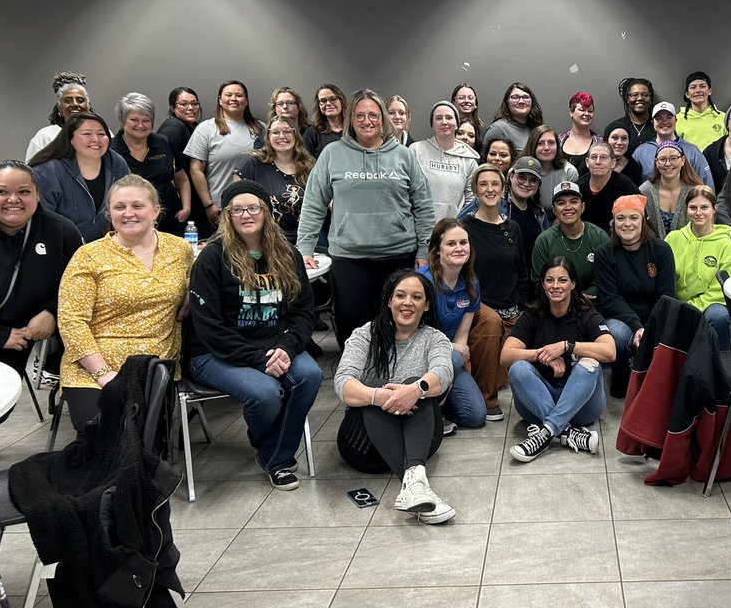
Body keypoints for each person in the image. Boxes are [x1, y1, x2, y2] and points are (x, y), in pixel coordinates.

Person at [187, 179, 321, 491]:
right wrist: (259, 359)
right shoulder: (212, 257)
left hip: (273, 345)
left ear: (266, 212)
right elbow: (208, 328)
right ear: (227, 217)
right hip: (213, 352)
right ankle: (277, 456)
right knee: (264, 393)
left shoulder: (287, 254)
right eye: (237, 210)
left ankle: (272, 453)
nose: (246, 215)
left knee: (310, 375)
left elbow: (303, 313)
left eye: (253, 208)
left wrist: (287, 348)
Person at [296, 89, 435, 347]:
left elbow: (424, 206)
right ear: (350, 120)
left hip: (398, 254)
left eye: (372, 115)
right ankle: (355, 377)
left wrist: (425, 249)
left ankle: (395, 371)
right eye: (359, 115)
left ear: (382, 119)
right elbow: (314, 203)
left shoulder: (403, 155)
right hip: (350, 256)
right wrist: (304, 246)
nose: (366, 121)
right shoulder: (332, 154)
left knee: (398, 321)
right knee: (352, 323)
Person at [57, 175, 192, 431]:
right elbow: (72, 321)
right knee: (104, 434)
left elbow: (201, 281)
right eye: (119, 207)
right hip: (93, 369)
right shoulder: (88, 256)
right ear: (110, 213)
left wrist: (190, 294)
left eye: (137, 206)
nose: (128, 213)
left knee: (143, 441)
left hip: (154, 368)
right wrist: (103, 374)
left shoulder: (180, 249)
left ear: (156, 211)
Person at [333, 269, 456, 524]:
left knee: (418, 384)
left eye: (416, 297)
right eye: (400, 295)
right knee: (376, 385)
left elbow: (443, 374)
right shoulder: (364, 335)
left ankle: (413, 482)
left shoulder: (435, 339)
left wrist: (414, 391)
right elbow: (343, 383)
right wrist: (379, 396)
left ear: (427, 304)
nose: (407, 302)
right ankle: (415, 482)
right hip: (363, 446)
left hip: (420, 443)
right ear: (389, 300)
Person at [0, 161, 81, 472]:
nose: (13, 199)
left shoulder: (60, 231)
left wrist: (52, 312)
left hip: (22, 337)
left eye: (24, 191)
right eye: (2, 191)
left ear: (38, 195)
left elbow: (79, 284)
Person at [501, 257, 615, 462]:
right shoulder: (532, 315)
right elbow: (505, 355)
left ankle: (545, 432)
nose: (555, 286)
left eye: (562, 280)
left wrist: (566, 346)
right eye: (549, 280)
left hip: (582, 406)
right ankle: (566, 432)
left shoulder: (587, 314)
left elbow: (610, 351)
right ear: (543, 284)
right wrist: (541, 355)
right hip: (537, 402)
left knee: (590, 363)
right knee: (517, 368)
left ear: (572, 284)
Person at [460, 164, 528, 420]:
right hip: (480, 308)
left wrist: (522, 306)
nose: (490, 189)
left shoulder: (512, 228)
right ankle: (487, 399)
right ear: (475, 190)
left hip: (511, 306)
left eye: (495, 184)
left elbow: (521, 269)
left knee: (505, 370)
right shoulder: (465, 227)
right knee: (491, 324)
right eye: (483, 184)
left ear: (503, 189)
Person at [593, 194, 675, 398]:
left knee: (662, 334)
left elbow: (666, 296)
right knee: (617, 335)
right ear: (613, 222)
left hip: (654, 314)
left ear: (644, 219)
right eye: (620, 218)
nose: (627, 223)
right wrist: (637, 326)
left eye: (633, 217)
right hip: (620, 316)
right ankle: (620, 375)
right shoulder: (604, 253)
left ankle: (648, 378)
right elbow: (610, 298)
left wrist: (649, 326)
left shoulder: (661, 249)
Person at [416, 219, 488, 430]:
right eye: (451, 243)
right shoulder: (422, 282)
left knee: (475, 416)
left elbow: (461, 337)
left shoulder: (471, 282)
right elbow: (414, 335)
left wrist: (458, 350)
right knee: (454, 356)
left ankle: (436, 404)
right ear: (437, 250)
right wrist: (454, 350)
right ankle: (429, 410)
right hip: (421, 357)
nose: (459, 248)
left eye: (463, 243)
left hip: (450, 361)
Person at [30, 111, 131, 242]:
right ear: (70, 139)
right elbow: (41, 222)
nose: (96, 139)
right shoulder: (47, 172)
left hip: (98, 248)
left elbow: (133, 193)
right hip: (58, 246)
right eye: (87, 134)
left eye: (101, 134)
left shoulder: (115, 162)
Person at [666, 186, 731, 350]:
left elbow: (721, 288)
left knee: (718, 316)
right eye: (693, 207)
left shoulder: (726, 245)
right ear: (686, 210)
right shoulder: (672, 238)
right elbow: (664, 278)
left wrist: (693, 307)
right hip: (678, 302)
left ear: (715, 209)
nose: (698, 212)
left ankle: (721, 363)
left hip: (711, 305)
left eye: (704, 207)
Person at [185, 80, 264, 229]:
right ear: (220, 100)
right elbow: (196, 170)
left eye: (239, 95)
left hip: (256, 208)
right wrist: (209, 205)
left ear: (246, 101)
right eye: (228, 95)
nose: (233, 99)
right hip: (221, 209)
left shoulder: (261, 129)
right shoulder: (206, 129)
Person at [110, 92, 190, 236]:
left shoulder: (164, 142)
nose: (141, 125)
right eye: (134, 120)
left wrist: (186, 208)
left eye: (146, 120)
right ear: (123, 122)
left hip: (171, 222)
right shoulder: (111, 149)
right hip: (130, 225)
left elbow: (182, 179)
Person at [234, 115, 315, 243]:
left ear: (296, 135)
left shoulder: (309, 166)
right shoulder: (251, 164)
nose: (282, 136)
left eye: (288, 131)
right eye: (275, 132)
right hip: (259, 241)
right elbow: (234, 206)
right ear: (268, 137)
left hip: (301, 240)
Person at [531, 181, 608, 297]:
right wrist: (572, 297)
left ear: (582, 207)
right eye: (561, 203)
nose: (568, 207)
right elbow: (537, 281)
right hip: (554, 303)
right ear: (554, 210)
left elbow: (607, 276)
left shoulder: (599, 236)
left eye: (574, 202)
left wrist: (585, 297)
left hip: (593, 305)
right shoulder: (544, 241)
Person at [411, 101, 480, 221]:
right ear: (432, 124)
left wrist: (457, 227)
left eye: (449, 117)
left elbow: (471, 200)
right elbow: (408, 191)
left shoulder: (469, 159)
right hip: (420, 227)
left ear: (457, 124)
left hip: (454, 230)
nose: (444, 122)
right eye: (438, 118)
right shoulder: (416, 150)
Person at [158, 86, 208, 236]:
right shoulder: (173, 129)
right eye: (184, 104)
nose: (190, 108)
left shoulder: (193, 127)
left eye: (194, 104)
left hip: (194, 201)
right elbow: (169, 170)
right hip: (184, 204)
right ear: (173, 107)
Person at [632, 101, 714, 188]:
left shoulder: (692, 151)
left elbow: (707, 185)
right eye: (659, 118)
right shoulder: (640, 152)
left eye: (669, 117)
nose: (664, 121)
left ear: (676, 120)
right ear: (653, 122)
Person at [641, 139, 704, 238]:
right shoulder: (645, 191)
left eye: (673, 158)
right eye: (662, 159)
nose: (668, 164)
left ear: (682, 160)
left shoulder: (696, 191)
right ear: (656, 163)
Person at [26, 71, 91, 161]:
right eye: (68, 100)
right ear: (59, 108)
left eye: (80, 100)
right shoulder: (45, 137)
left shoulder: (102, 134)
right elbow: (31, 172)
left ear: (88, 106)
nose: (75, 104)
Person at [579, 141, 638, 231]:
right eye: (594, 157)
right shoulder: (578, 187)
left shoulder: (625, 185)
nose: (598, 162)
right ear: (587, 162)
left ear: (613, 163)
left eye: (603, 158)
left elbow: (641, 217)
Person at [522, 125, 578, 210]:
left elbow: (571, 207)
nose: (547, 148)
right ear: (532, 146)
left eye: (551, 143)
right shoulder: (519, 171)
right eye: (540, 143)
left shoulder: (569, 171)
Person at [603, 77, 657, 159]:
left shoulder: (658, 127)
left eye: (645, 95)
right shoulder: (617, 128)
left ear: (650, 99)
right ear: (627, 99)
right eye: (634, 95)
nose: (640, 98)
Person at [483, 82, 542, 151]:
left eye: (525, 97)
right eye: (515, 97)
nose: (521, 101)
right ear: (507, 102)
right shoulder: (499, 129)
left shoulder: (537, 128)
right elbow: (485, 158)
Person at [676, 70, 726, 152]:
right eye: (693, 87)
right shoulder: (677, 120)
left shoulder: (723, 118)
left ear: (710, 91)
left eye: (702, 86)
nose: (698, 90)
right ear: (687, 94)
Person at [559, 91, 602, 173]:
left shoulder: (599, 142)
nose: (586, 114)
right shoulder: (559, 141)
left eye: (590, 111)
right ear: (571, 112)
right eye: (582, 110)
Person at [303, 83, 347, 158]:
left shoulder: (354, 129)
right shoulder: (312, 133)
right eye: (323, 101)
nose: (328, 104)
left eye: (333, 99)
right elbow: (306, 162)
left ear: (341, 101)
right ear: (319, 105)